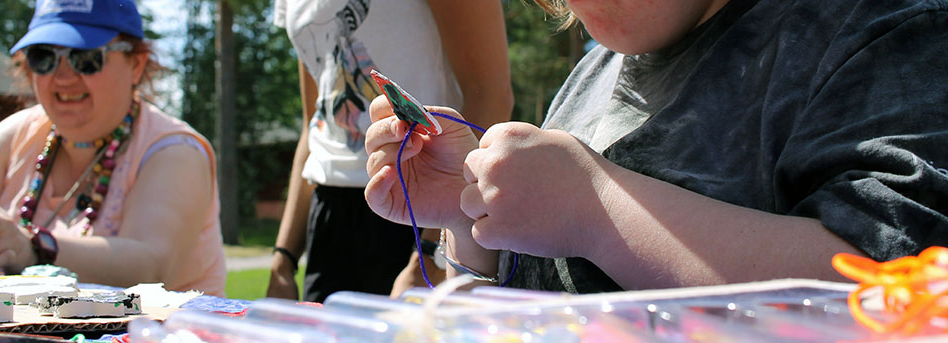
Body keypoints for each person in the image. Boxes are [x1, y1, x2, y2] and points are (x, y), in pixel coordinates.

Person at [365, 0, 948, 293]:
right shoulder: (596, 72)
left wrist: (598, 207)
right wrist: (473, 219)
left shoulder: (878, 33)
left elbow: (897, 286)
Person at [0, 0, 226, 296]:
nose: (62, 76)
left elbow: (151, 265)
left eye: (85, 57)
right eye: (43, 57)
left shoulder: (175, 150)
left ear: (136, 65)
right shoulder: (19, 132)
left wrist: (32, 248)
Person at [267, 0, 513, 302]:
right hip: (329, 219)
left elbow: (490, 94)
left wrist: (432, 257)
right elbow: (315, 126)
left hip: (420, 213)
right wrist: (284, 260)